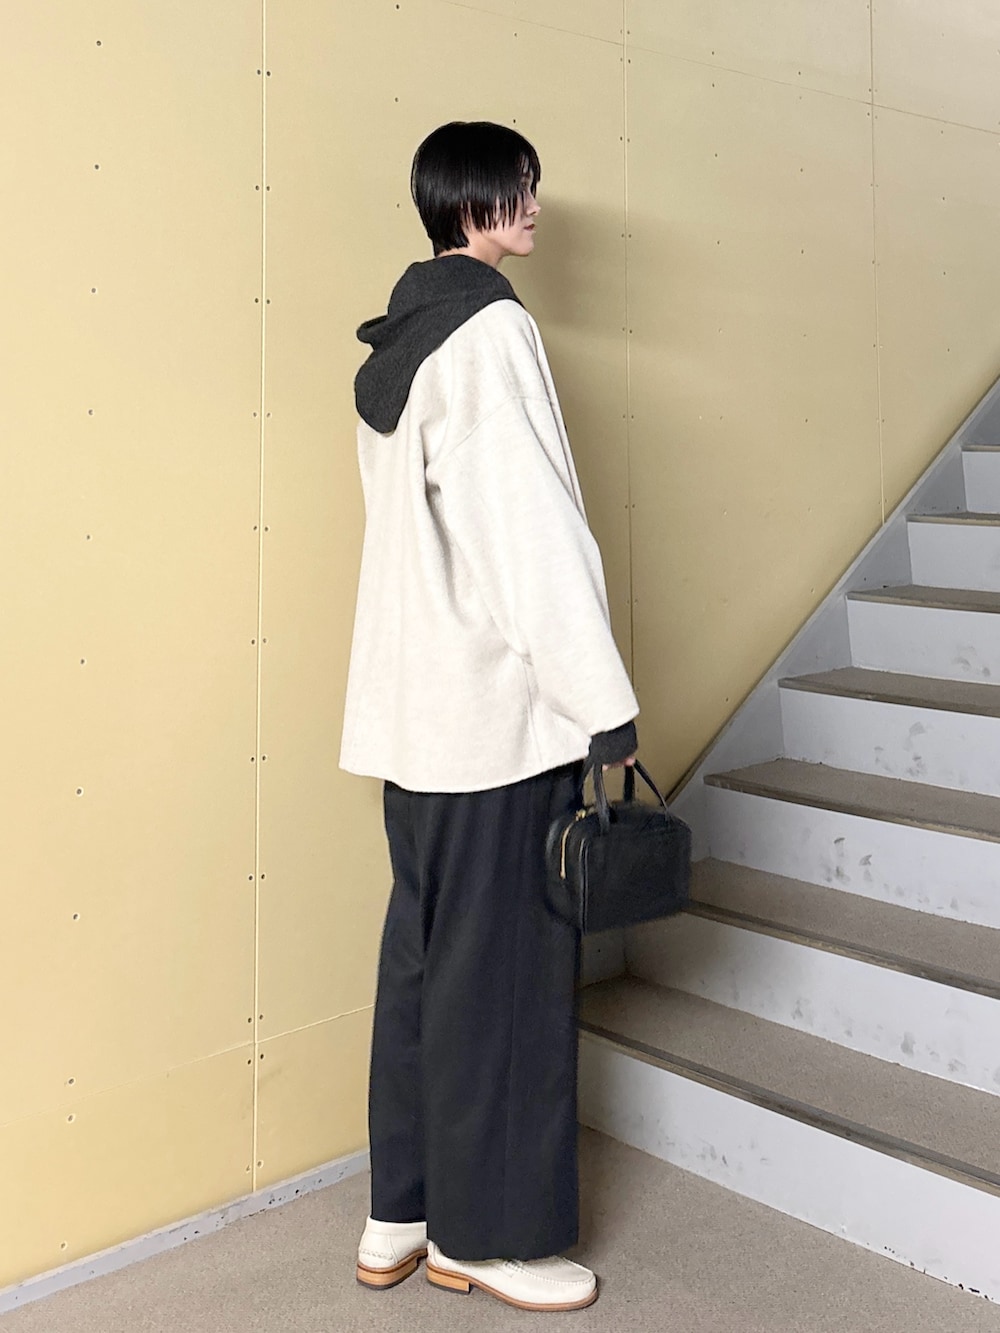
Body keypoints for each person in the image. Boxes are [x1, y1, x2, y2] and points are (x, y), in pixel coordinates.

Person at [340, 120, 638, 1313]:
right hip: (494, 721)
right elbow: (528, 539)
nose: (535, 207)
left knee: (425, 967)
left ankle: (402, 1214)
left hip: (416, 721)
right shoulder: (491, 331)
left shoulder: (399, 340)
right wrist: (601, 702)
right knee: (505, 980)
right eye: (519, 189)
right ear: (471, 200)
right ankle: (493, 1239)